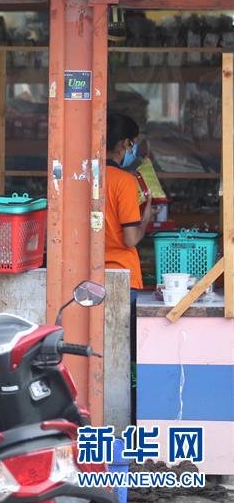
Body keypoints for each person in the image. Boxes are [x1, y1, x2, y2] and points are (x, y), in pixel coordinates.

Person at [105, 112, 153, 419]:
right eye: (133, 144)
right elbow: (131, 238)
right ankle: (128, 418)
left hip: (90, 279)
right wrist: (146, 214)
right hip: (124, 280)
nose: (133, 150)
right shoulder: (124, 181)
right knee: (128, 356)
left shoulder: (84, 177)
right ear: (124, 144)